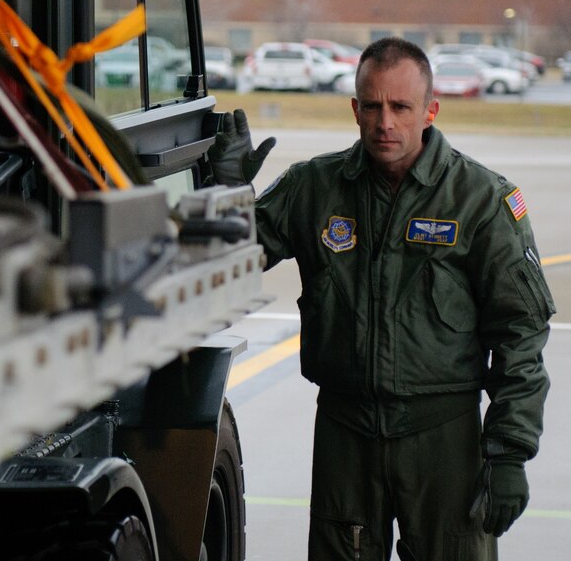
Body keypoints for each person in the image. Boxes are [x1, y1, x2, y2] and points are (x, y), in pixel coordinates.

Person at [208, 37, 553, 560]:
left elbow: (521, 332)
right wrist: (226, 195)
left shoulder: (480, 199)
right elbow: (228, 262)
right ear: (355, 108)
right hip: (346, 435)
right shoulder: (314, 188)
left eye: (400, 107)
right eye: (372, 106)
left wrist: (509, 452)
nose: (384, 122)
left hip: (443, 438)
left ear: (430, 111)